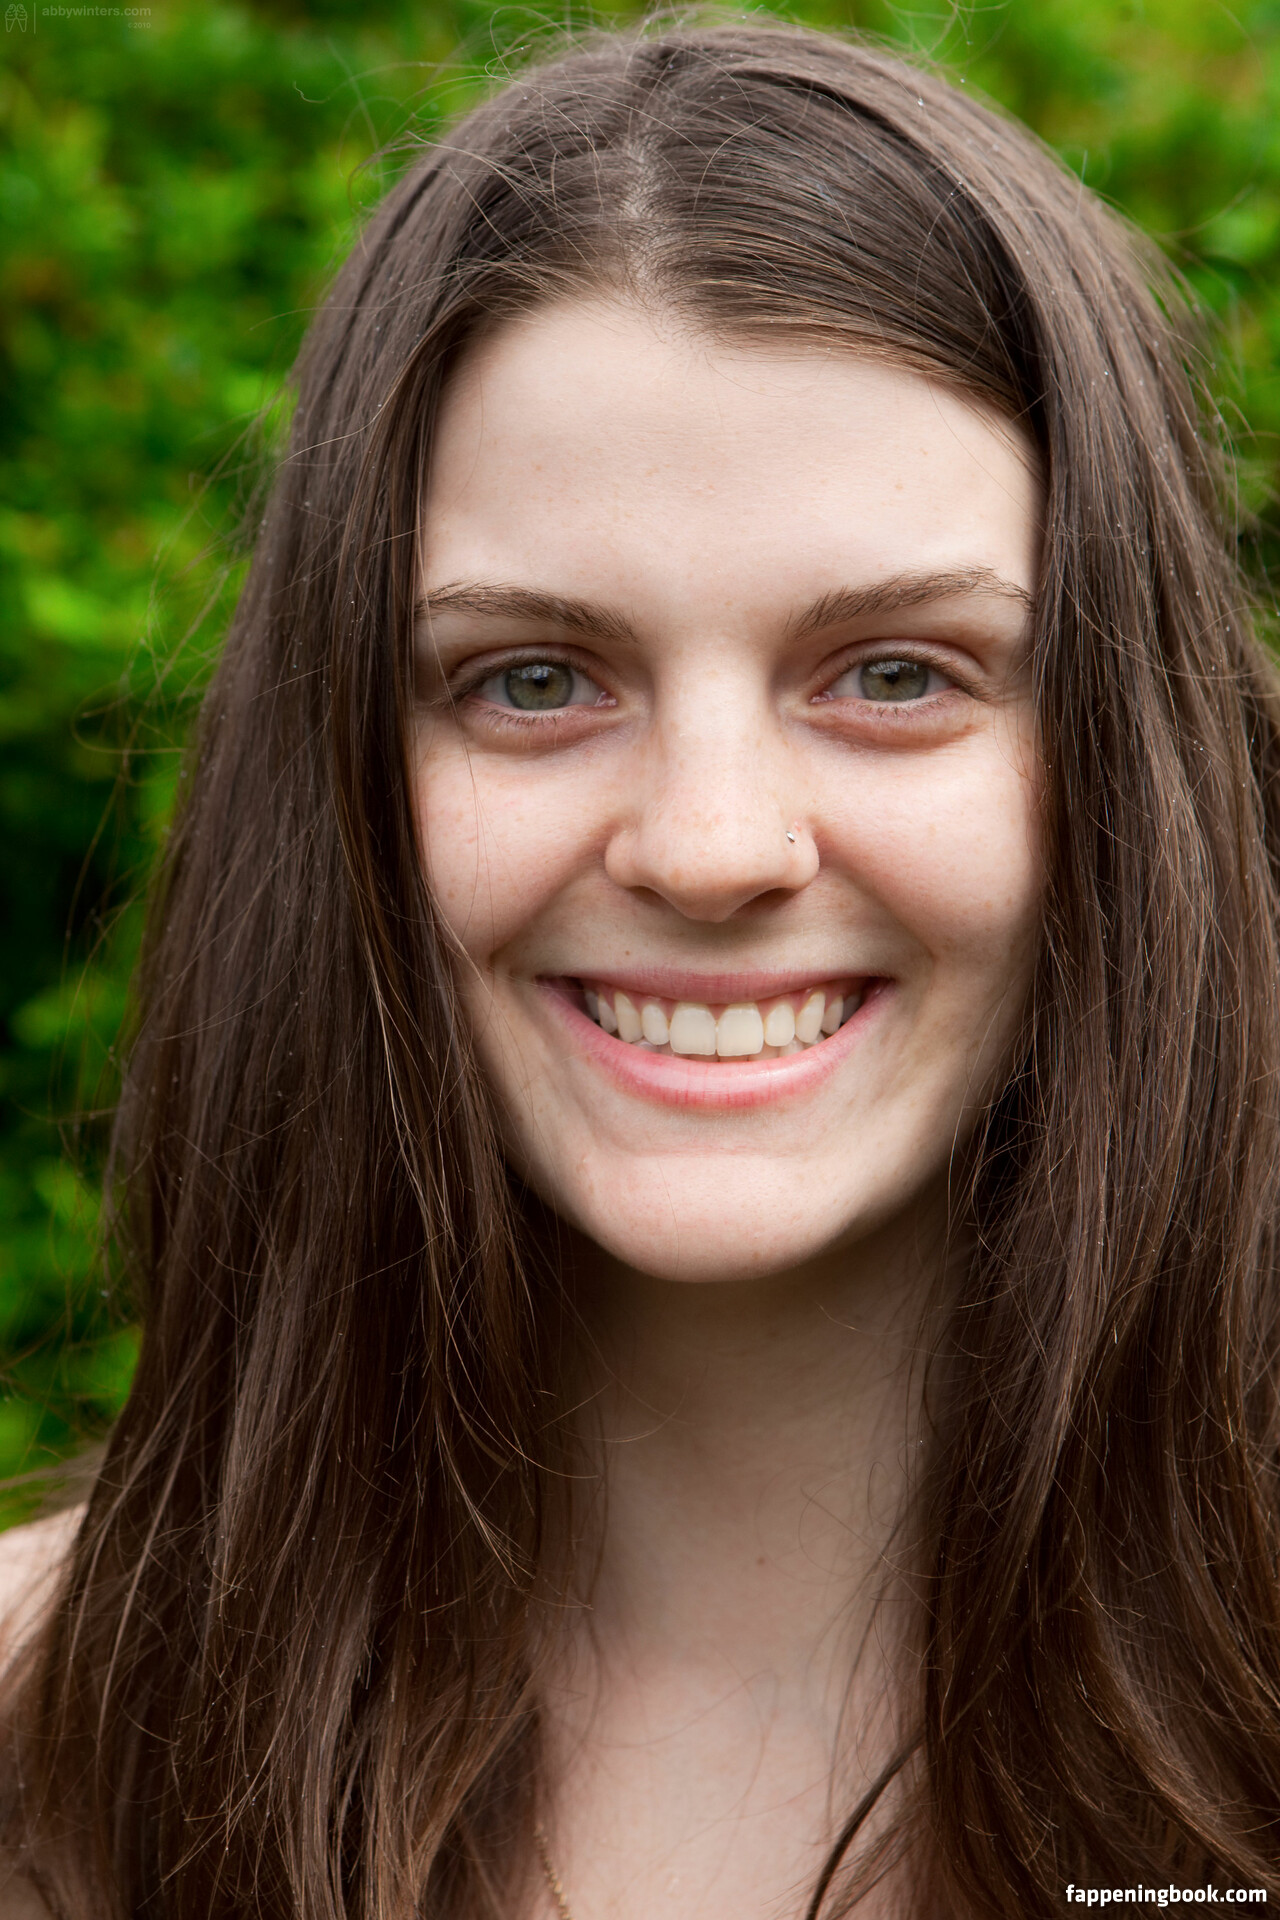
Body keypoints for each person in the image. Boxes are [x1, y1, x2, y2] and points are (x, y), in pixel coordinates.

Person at [0, 18, 1278, 1918]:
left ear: (1127, 759)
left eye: (898, 675)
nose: (707, 844)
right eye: (533, 680)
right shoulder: (43, 1748)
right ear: (345, 776)